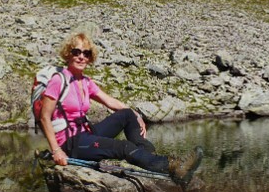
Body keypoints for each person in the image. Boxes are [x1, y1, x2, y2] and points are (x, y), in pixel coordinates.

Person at [39, 31, 202, 184]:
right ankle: (173, 166)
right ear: (68, 53)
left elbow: (111, 102)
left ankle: (147, 156)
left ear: (90, 57)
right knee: (123, 147)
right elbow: (44, 117)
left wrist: (136, 115)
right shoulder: (58, 80)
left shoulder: (86, 82)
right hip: (70, 143)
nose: (82, 57)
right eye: (77, 52)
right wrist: (56, 151)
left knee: (126, 114)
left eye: (86, 53)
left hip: (86, 134)